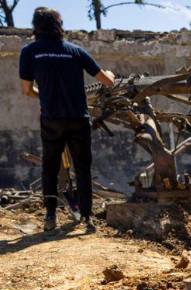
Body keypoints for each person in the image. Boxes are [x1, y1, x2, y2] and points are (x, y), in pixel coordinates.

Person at [18, 7, 115, 232]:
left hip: (51, 119)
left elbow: (26, 90)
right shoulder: (75, 51)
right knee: (82, 168)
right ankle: (87, 218)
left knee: (50, 168)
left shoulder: (29, 51)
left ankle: (50, 216)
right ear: (58, 24)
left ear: (35, 26)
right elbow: (106, 81)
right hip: (78, 119)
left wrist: (44, 95)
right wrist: (109, 74)